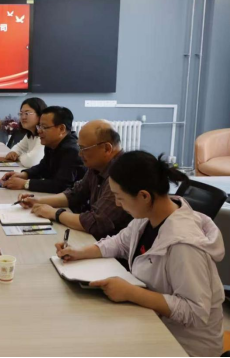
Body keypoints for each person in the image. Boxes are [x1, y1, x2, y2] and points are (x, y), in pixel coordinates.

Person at [56, 151, 225, 358]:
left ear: (144, 196)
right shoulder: (148, 216)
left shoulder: (184, 245)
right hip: (153, 322)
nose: (117, 204)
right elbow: (120, 242)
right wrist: (79, 252)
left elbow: (195, 312)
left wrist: (131, 293)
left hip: (183, 346)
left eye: (120, 197)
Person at [19, 120, 132, 240]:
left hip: (114, 246)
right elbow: (76, 194)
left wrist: (54, 213)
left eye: (83, 148)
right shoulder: (97, 165)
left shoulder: (122, 173)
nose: (80, 154)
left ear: (106, 149)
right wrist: (38, 201)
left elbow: (96, 222)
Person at [2, 106, 86, 193]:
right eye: (39, 126)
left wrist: (25, 183)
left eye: (44, 127)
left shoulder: (72, 150)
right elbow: (43, 167)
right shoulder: (52, 144)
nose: (39, 131)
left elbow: (62, 185)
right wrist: (23, 175)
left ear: (61, 129)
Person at [3, 97, 47, 168]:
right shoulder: (30, 134)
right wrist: (14, 152)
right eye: (21, 114)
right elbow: (18, 148)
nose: (23, 117)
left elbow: (31, 162)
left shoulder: (44, 135)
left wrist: (19, 156)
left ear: (40, 114)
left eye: (27, 113)